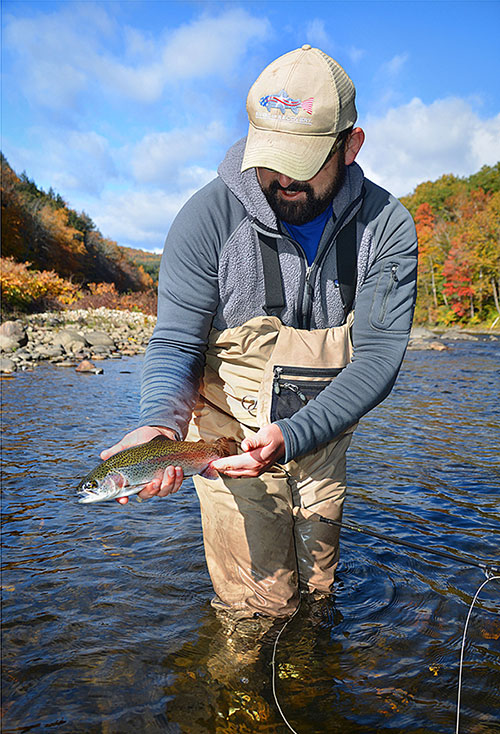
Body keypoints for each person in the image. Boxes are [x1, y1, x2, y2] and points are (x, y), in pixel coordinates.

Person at [102, 45, 418, 620]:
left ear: (351, 145)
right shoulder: (207, 218)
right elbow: (176, 342)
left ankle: (305, 690)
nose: (282, 178)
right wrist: (159, 425)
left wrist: (293, 436)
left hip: (323, 437)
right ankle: (242, 706)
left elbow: (375, 362)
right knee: (257, 609)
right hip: (225, 442)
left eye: (305, 159)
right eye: (271, 157)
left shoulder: (387, 228)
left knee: (319, 594)